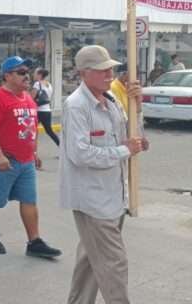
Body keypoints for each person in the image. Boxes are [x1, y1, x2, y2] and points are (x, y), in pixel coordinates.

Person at [59, 45, 149, 304]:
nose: (110, 74)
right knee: (113, 263)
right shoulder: (76, 105)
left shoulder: (111, 101)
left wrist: (137, 106)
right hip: (93, 201)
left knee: (90, 262)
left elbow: (132, 138)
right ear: (84, 73)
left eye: (110, 69)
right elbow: (80, 154)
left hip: (114, 197)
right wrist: (124, 150)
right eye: (102, 70)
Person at [0, 56, 62, 259]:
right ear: (7, 76)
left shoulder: (28, 98)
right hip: (0, 161)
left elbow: (30, 128)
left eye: (27, 72)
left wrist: (33, 152)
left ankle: (34, 241)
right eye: (21, 72)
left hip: (25, 161)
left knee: (29, 200)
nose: (27, 76)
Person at [31, 68, 59, 146]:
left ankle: (31, 151)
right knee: (49, 131)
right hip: (47, 111)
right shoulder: (49, 84)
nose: (33, 75)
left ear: (39, 75)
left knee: (30, 130)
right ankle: (63, 149)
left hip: (38, 111)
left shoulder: (37, 84)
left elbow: (31, 98)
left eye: (35, 73)